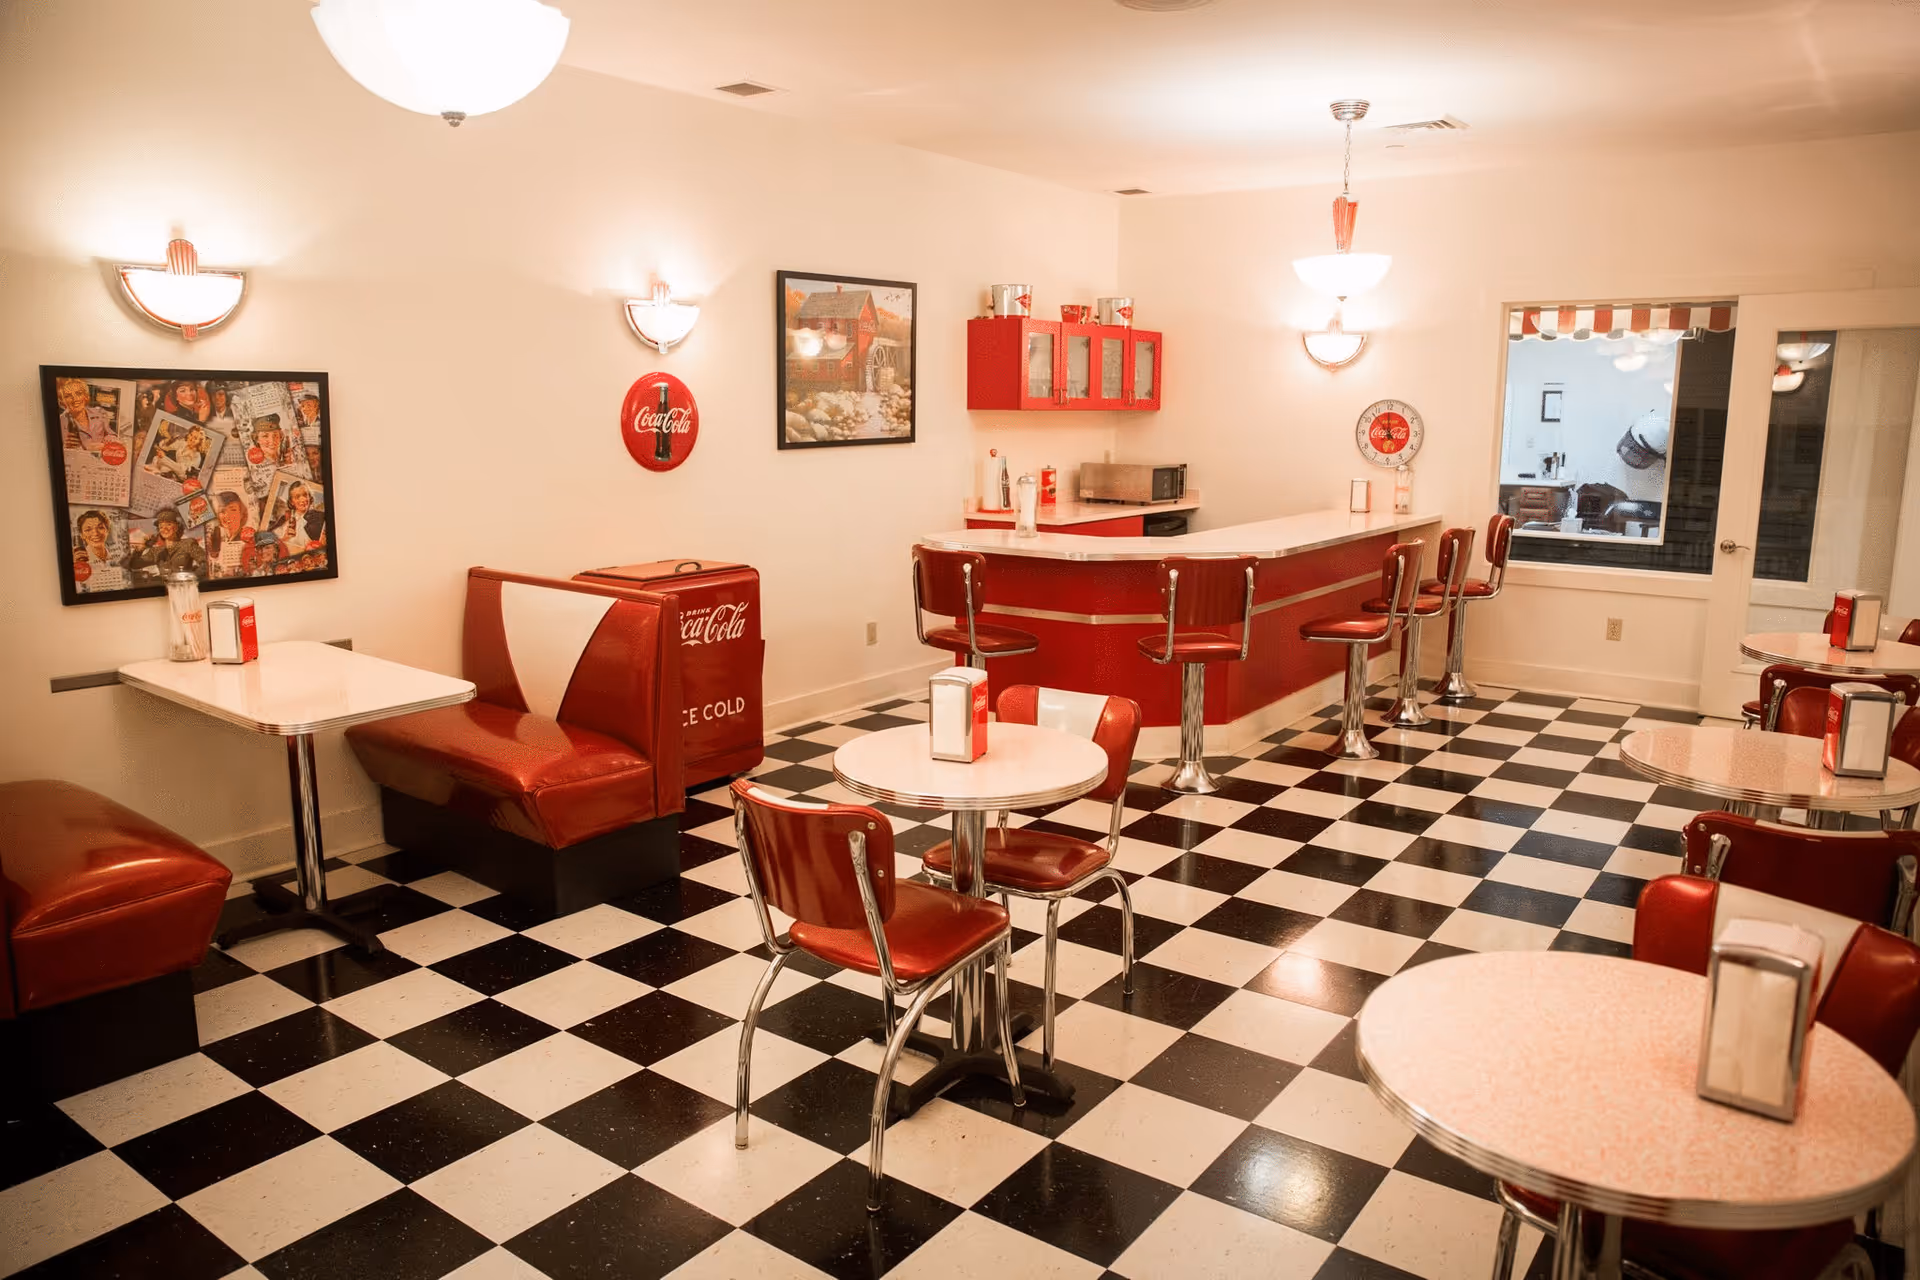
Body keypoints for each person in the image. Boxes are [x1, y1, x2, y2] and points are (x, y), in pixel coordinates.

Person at [128, 509, 207, 582]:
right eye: (161, 527)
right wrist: (142, 547)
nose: (164, 529)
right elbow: (134, 565)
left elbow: (205, 564)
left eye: (168, 524)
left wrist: (190, 579)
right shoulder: (156, 552)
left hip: (185, 588)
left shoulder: (188, 544)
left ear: (176, 527)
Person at [204, 491, 257, 578]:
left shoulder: (247, 536)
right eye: (222, 511)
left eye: (233, 510)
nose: (227, 515)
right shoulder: (217, 536)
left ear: (241, 513)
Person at [56, 378, 115, 454]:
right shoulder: (61, 421)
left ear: (85, 396)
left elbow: (111, 433)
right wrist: (85, 448)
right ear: (62, 402)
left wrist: (110, 438)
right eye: (68, 396)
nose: (75, 399)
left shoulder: (99, 413)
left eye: (78, 394)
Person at [74, 509, 126, 591]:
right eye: (88, 530)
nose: (95, 533)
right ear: (82, 535)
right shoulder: (80, 562)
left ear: (107, 531)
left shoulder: (119, 555)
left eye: (100, 527)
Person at [277, 480, 325, 554]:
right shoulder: (284, 520)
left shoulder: (320, 517)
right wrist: (284, 538)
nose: (303, 499)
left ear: (310, 496)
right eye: (297, 497)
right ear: (291, 501)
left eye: (305, 495)